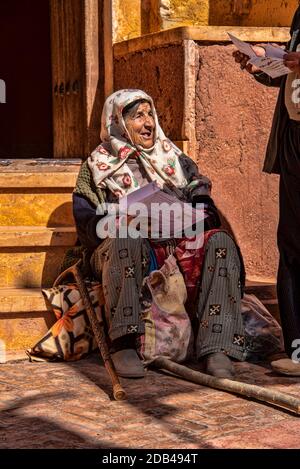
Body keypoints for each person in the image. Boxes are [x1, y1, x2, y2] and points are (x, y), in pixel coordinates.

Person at [73, 89, 246, 379]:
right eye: (138, 116)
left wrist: (192, 215)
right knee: (127, 236)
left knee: (219, 240)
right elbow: (85, 223)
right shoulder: (96, 167)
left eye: (150, 113)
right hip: (122, 249)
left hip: (176, 244)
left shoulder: (176, 160)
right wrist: (118, 219)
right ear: (117, 121)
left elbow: (205, 206)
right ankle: (124, 343)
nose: (149, 123)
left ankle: (217, 347)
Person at [233, 3, 300, 376]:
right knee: (291, 244)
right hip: (294, 137)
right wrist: (264, 66)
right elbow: (292, 73)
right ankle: (296, 350)